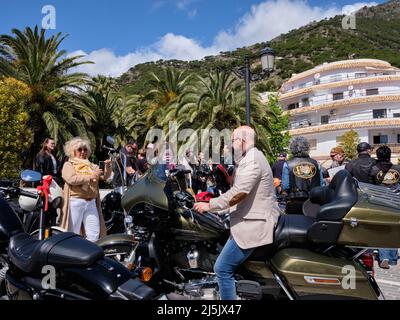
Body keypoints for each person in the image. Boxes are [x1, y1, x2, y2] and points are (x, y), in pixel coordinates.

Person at [194, 126, 280, 300]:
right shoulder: (251, 158)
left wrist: (209, 205)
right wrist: (221, 210)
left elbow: (239, 193)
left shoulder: (253, 160)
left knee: (222, 268)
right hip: (250, 217)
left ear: (242, 141)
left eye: (233, 141)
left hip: (254, 223)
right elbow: (244, 197)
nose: (231, 145)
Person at [60, 137, 111, 242]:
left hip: (91, 202)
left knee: (94, 234)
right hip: (75, 201)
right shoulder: (68, 164)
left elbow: (105, 177)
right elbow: (71, 179)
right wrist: (91, 176)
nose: (83, 152)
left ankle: (90, 256)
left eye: (85, 149)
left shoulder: (91, 166)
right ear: (73, 151)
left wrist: (108, 167)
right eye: (79, 149)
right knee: (72, 233)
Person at [368, 145, 400, 269]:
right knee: (394, 228)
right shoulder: (397, 169)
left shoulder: (374, 169)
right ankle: (392, 258)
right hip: (396, 202)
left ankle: (384, 256)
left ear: (378, 156)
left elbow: (368, 186)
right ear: (389, 155)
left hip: (379, 202)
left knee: (381, 229)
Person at [281, 137, 325, 215]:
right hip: (313, 202)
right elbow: (322, 184)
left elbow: (285, 186)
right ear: (307, 148)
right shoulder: (316, 163)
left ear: (292, 148)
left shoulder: (287, 164)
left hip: (294, 202)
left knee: (294, 225)